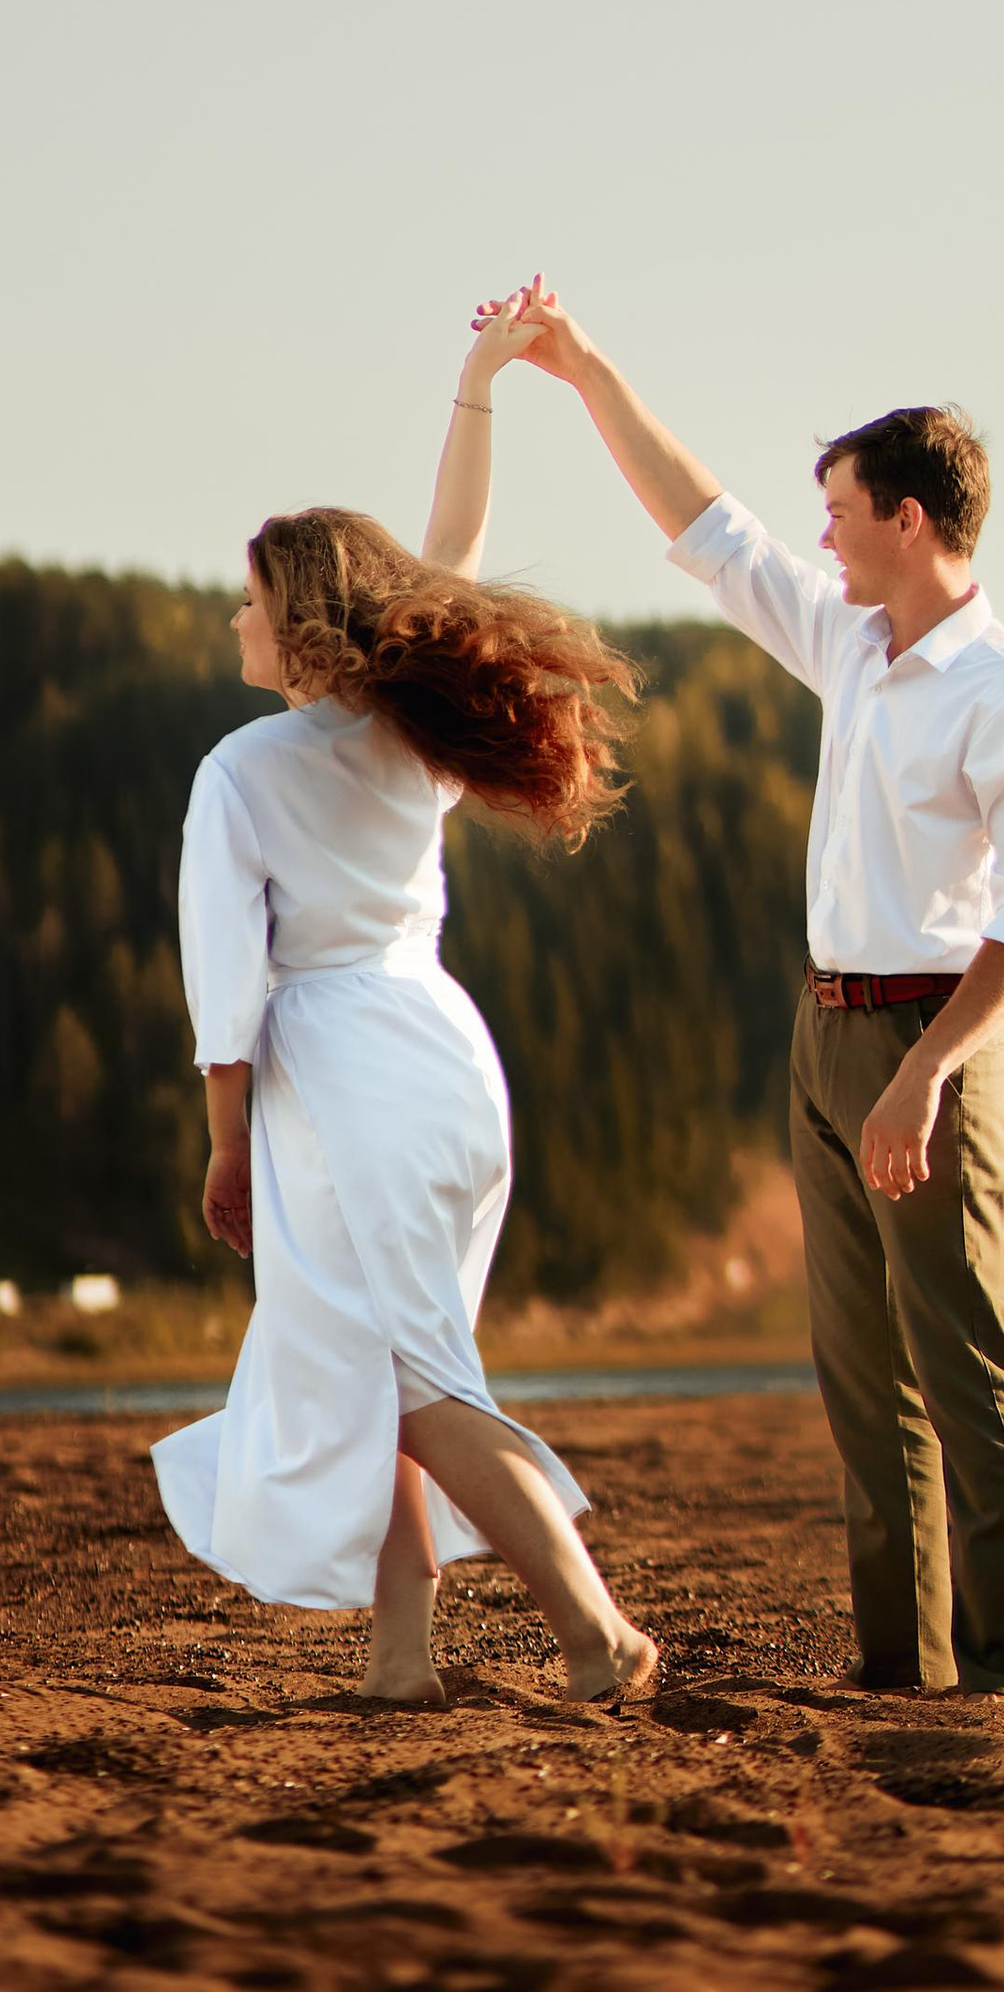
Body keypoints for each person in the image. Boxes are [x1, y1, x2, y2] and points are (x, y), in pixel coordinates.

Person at [481, 275, 1004, 1699]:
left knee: (962, 1363)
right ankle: (902, 1671)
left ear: (909, 520)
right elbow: (712, 532)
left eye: (841, 509)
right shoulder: (853, 646)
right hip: (825, 1031)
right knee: (861, 1380)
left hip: (932, 1041)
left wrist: (928, 1073)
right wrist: (584, 369)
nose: (821, 534)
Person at [148, 305, 661, 1708]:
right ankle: (400, 1658)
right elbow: (455, 555)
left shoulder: (240, 773)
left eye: (250, 599)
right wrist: (477, 383)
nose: (235, 618)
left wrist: (225, 1143)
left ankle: (598, 1634)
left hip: (339, 1079)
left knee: (409, 1372)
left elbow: (224, 986)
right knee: (376, 1359)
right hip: (442, 1055)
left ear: (300, 621)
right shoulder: (413, 736)